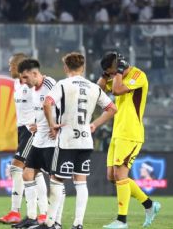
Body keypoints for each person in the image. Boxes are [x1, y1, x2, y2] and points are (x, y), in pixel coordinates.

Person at [38, 52, 116, 229]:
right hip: (85, 141)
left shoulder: (63, 85)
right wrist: (94, 124)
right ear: (83, 67)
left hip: (67, 140)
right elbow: (112, 108)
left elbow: (47, 103)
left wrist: (51, 125)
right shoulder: (93, 87)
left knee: (57, 180)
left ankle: (51, 223)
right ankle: (78, 223)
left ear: (66, 67)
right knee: (81, 182)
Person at [96, 52, 161, 229]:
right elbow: (99, 90)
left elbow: (116, 90)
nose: (110, 76)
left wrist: (118, 72)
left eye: (111, 72)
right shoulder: (116, 76)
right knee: (112, 177)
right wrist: (106, 74)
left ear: (120, 67)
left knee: (121, 175)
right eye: (108, 73)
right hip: (118, 132)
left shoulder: (138, 75)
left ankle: (122, 221)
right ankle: (149, 204)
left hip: (131, 133)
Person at [0, 53, 48, 225]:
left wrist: (39, 124)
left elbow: (44, 102)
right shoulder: (16, 83)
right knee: (35, 171)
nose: (9, 67)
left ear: (19, 65)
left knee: (17, 167)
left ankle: (17, 212)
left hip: (32, 130)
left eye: (11, 64)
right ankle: (42, 213)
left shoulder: (33, 84)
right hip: (21, 130)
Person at [11, 59, 55, 228]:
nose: (23, 82)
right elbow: (40, 111)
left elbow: (61, 105)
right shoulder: (34, 89)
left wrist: (54, 125)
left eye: (25, 77)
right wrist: (38, 123)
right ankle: (32, 217)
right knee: (28, 174)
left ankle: (52, 219)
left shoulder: (50, 84)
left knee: (55, 179)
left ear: (34, 73)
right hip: (39, 137)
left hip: (51, 139)